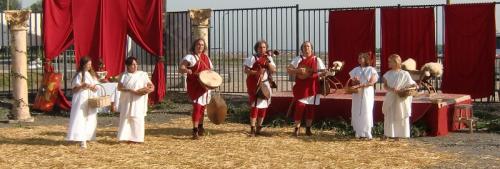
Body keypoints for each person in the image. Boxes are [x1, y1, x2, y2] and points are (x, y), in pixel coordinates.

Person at [286, 41, 326, 136]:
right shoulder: (298, 59)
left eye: (308, 46)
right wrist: (297, 70)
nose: (306, 48)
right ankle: (297, 128)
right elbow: (289, 70)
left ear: (311, 48)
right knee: (300, 107)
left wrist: (326, 73)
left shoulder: (317, 60)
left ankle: (308, 129)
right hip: (301, 87)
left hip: (312, 87)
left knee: (310, 109)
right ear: (302, 49)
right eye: (304, 46)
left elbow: (323, 72)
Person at [179, 38, 214, 139]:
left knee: (203, 109)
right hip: (195, 85)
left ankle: (200, 127)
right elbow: (181, 67)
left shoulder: (206, 58)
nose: (200, 46)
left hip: (205, 86)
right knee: (197, 108)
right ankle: (194, 131)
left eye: (202, 45)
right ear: (194, 46)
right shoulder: (190, 57)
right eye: (198, 44)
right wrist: (186, 70)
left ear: (204, 47)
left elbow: (210, 71)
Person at [117, 56, 154, 143]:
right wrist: (131, 90)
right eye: (133, 64)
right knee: (126, 117)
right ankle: (124, 137)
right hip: (127, 99)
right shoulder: (124, 75)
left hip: (138, 100)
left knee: (137, 117)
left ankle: (137, 138)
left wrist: (148, 89)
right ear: (128, 66)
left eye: (136, 64)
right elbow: (119, 88)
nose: (135, 66)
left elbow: (151, 86)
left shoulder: (142, 74)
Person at [244, 40, 277, 137]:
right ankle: (252, 128)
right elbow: (246, 70)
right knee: (255, 106)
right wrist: (257, 73)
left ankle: (259, 127)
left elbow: (273, 70)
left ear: (266, 49)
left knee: (264, 106)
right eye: (260, 47)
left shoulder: (269, 58)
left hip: (265, 84)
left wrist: (268, 63)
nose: (262, 49)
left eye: (264, 47)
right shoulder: (252, 58)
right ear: (256, 48)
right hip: (254, 84)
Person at [66, 56, 99, 148]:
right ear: (83, 65)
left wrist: (94, 87)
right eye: (87, 64)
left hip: (90, 97)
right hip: (81, 98)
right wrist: (82, 86)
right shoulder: (79, 75)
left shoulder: (91, 74)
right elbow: (74, 90)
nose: (89, 66)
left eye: (90, 64)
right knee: (80, 117)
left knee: (90, 117)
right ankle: (81, 139)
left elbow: (96, 86)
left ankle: (87, 136)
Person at [382, 54, 417, 140]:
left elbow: (412, 84)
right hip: (391, 97)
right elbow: (385, 86)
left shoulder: (404, 74)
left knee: (399, 115)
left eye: (390, 61)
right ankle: (388, 133)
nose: (388, 63)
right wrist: (392, 89)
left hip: (401, 98)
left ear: (396, 62)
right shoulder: (387, 74)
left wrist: (404, 89)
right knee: (390, 115)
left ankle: (399, 135)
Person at [349, 52, 378, 140]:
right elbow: (353, 82)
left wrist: (361, 85)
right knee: (357, 110)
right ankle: (358, 131)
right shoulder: (355, 69)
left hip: (367, 92)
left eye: (361, 58)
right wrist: (356, 81)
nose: (359, 59)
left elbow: (372, 82)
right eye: (358, 58)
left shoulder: (371, 69)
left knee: (367, 110)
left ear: (366, 59)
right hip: (357, 93)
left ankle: (367, 131)